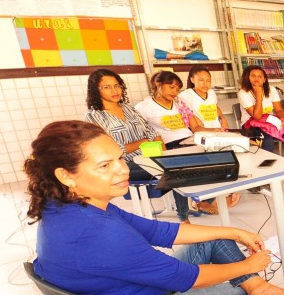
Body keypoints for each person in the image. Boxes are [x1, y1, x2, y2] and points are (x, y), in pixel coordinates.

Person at [26, 121, 284, 295]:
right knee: (242, 292)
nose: (123, 170)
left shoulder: (70, 205)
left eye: (120, 158)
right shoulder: (98, 233)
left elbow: (158, 230)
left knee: (214, 240)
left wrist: (233, 231)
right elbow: (184, 278)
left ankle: (258, 290)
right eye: (104, 165)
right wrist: (249, 266)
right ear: (66, 175)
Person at [83, 69, 194, 221]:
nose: (114, 91)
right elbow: (111, 150)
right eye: (107, 87)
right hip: (122, 164)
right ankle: (184, 217)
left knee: (179, 164)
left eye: (117, 86)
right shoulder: (94, 116)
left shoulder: (128, 108)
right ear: (96, 90)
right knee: (172, 170)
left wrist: (164, 151)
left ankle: (191, 208)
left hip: (148, 156)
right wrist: (141, 143)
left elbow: (150, 132)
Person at [133, 71, 198, 220]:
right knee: (177, 173)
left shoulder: (179, 104)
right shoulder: (144, 107)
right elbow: (143, 132)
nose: (175, 92)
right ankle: (183, 215)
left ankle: (204, 200)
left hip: (189, 140)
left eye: (177, 89)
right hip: (168, 145)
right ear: (158, 85)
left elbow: (193, 124)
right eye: (171, 87)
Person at [236, 66, 284, 179]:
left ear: (264, 79)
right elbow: (257, 116)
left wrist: (283, 118)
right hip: (250, 125)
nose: (256, 79)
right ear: (247, 78)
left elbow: (278, 110)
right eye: (253, 76)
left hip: (269, 123)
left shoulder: (271, 89)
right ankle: (267, 174)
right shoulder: (243, 93)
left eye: (260, 76)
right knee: (267, 140)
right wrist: (259, 95)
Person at [179, 66, 232, 132]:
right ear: (192, 80)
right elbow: (184, 112)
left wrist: (223, 119)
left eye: (208, 81)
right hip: (202, 132)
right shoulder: (185, 95)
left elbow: (215, 107)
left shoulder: (211, 92)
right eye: (201, 80)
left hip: (218, 130)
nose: (205, 84)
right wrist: (195, 119)